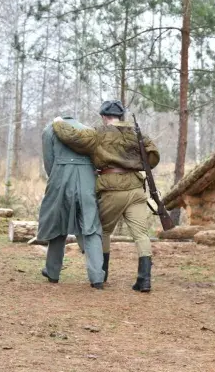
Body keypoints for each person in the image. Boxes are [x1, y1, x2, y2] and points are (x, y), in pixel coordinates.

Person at [52, 101, 160, 292]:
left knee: (102, 232)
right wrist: (132, 164)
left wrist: (58, 122)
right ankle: (144, 280)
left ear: (103, 116)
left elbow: (73, 137)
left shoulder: (98, 133)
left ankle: (102, 274)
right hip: (136, 189)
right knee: (141, 235)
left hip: (112, 189)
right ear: (121, 116)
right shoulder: (138, 133)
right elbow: (153, 157)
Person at [37, 116, 105, 289]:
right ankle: (97, 277)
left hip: (60, 176)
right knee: (91, 226)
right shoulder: (88, 131)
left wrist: (57, 178)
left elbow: (48, 162)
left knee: (57, 224)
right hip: (87, 179)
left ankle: (52, 272)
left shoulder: (49, 130)